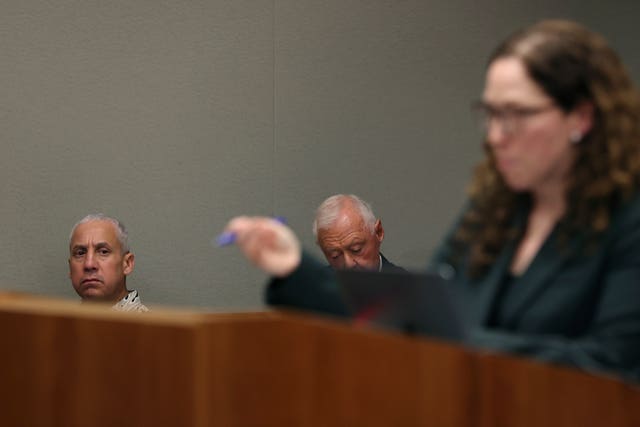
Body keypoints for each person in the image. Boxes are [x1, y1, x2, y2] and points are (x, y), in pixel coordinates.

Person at [221, 19, 640, 382]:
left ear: (581, 118)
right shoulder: (492, 214)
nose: (495, 136)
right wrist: (295, 268)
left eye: (517, 114)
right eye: (490, 114)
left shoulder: (628, 222)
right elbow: (408, 316)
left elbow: (614, 369)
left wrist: (458, 341)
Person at [69, 213, 149, 312]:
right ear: (70, 268)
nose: (89, 264)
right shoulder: (57, 325)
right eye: (80, 253)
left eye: (103, 252)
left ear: (127, 264)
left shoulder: (147, 326)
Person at [312, 194, 403, 272]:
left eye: (356, 249)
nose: (348, 264)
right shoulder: (316, 288)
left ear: (378, 232)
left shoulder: (408, 288)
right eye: (335, 256)